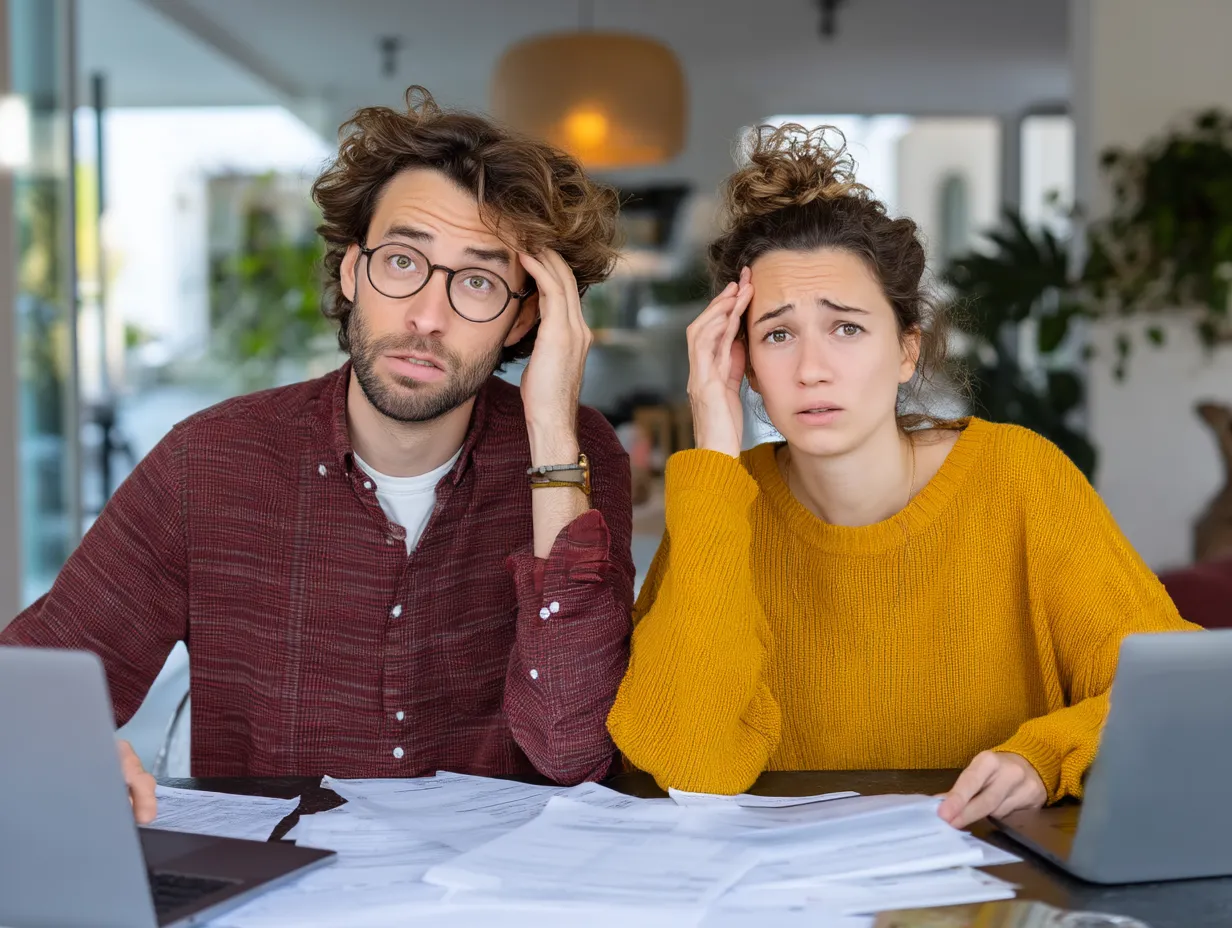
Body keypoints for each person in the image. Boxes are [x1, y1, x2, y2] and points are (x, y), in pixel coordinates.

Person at [1, 87, 634, 822]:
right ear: (349, 271)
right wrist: (59, 740)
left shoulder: (578, 455)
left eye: (479, 282)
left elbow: (574, 751)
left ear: (529, 315)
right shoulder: (209, 464)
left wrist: (553, 434)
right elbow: (30, 685)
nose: (427, 316)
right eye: (402, 261)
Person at [606, 123, 1197, 829]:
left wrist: (1043, 757)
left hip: (996, 882)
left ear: (907, 350)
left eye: (848, 328)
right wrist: (712, 440)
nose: (813, 367)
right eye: (778, 334)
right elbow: (690, 761)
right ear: (745, 365)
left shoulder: (1018, 475)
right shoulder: (727, 505)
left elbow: (1176, 699)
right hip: (787, 890)